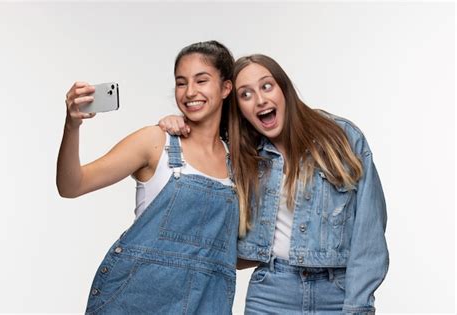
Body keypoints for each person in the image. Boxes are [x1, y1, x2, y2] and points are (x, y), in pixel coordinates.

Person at [159, 54, 389, 314]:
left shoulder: (341, 137)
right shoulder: (241, 155)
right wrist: (179, 122)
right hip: (271, 294)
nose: (260, 100)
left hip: (338, 292)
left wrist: (357, 306)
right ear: (240, 108)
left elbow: (369, 231)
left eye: (266, 86)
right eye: (245, 94)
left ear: (284, 89)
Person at [56, 41, 239, 314]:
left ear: (226, 88)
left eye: (202, 80)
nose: (190, 92)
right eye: (181, 82)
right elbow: (71, 185)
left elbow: (230, 251)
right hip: (134, 302)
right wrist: (72, 124)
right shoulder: (155, 142)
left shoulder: (238, 164)